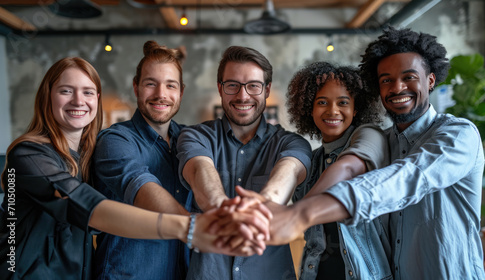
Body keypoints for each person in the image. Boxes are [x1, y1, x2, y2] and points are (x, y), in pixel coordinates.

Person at [234, 26, 485, 279]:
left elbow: (408, 177)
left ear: (430, 79)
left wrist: (300, 214)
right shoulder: (389, 142)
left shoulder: (458, 134)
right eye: (386, 80)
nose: (397, 88)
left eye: (409, 77)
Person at [0, 57, 270, 280]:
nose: (78, 101)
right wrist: (190, 228)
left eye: (88, 92)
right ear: (136, 87)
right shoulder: (28, 154)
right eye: (66, 90)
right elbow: (87, 204)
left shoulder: (84, 156)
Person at [177, 46, 312, 280]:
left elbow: (289, 172)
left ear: (267, 89)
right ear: (220, 88)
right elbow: (200, 171)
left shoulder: (291, 143)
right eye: (232, 85)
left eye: (253, 85)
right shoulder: (195, 136)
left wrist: (263, 203)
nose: (242, 96)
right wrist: (227, 210)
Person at [91, 40, 194, 279]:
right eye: (151, 84)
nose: (161, 94)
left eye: (170, 85)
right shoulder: (114, 140)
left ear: (181, 92)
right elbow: (139, 184)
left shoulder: (189, 141)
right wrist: (195, 228)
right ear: (136, 87)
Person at [287, 62, 391, 279]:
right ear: (310, 109)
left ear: (356, 109)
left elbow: (347, 167)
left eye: (343, 102)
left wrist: (294, 215)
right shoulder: (312, 160)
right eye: (322, 102)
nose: (332, 111)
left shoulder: (370, 135)